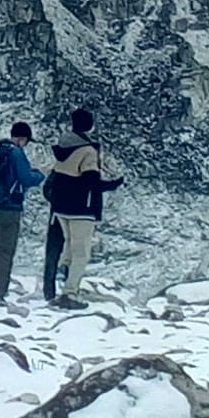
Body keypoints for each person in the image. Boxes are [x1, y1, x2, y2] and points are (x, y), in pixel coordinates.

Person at [39, 108, 124, 305]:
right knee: (81, 252)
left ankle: (64, 276)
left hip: (61, 208)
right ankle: (70, 292)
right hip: (81, 209)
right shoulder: (88, 151)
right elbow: (90, 182)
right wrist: (114, 184)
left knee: (69, 246)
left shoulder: (63, 146)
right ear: (89, 125)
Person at [0, 121, 42, 300]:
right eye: (26, 141)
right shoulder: (15, 153)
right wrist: (40, 175)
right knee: (6, 253)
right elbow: (26, 179)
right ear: (21, 139)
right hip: (10, 209)